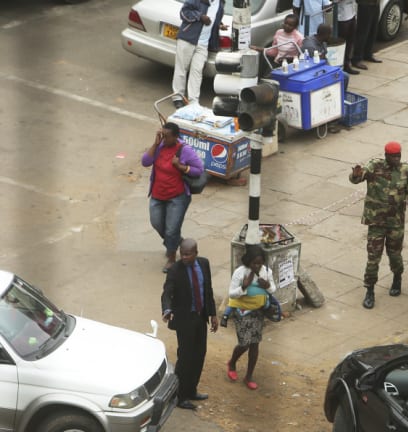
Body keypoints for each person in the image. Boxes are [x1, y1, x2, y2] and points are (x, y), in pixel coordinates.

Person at [349, 141, 408, 309]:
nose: (397, 159)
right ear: (386, 155)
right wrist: (356, 174)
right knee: (373, 257)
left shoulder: (406, 170)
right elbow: (356, 178)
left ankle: (397, 277)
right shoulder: (375, 166)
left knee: (395, 255)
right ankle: (370, 290)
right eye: (393, 156)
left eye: (399, 156)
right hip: (376, 222)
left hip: (395, 223)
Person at [161, 238, 218, 410]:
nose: (184, 257)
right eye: (182, 254)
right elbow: (167, 293)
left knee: (200, 354)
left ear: (196, 253)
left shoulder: (204, 264)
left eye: (188, 254)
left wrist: (213, 314)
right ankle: (180, 396)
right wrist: (167, 310)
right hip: (184, 320)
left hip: (200, 317)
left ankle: (192, 390)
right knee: (185, 358)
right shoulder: (175, 271)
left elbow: (208, 290)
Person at [141, 122, 204, 273]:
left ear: (176, 137)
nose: (163, 139)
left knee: (171, 229)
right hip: (157, 194)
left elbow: (199, 170)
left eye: (167, 136)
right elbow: (145, 162)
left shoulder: (184, 150)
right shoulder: (159, 147)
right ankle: (177, 242)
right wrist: (155, 145)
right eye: (162, 135)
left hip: (177, 197)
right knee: (157, 223)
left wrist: (180, 166)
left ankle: (171, 257)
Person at [226, 245, 277, 390]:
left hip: (258, 311)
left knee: (255, 343)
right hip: (242, 312)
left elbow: (273, 289)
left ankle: (249, 376)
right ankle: (232, 362)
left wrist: (267, 285)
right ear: (248, 261)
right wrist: (244, 287)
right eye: (254, 263)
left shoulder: (266, 272)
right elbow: (232, 294)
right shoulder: (240, 273)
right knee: (245, 343)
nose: (257, 266)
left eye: (259, 263)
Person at [171, 0, 228, 108]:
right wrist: (200, 17)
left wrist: (219, 25)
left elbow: (214, 18)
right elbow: (183, 12)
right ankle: (178, 97)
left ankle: (193, 101)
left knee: (197, 72)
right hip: (187, 39)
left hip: (203, 44)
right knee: (181, 69)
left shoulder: (220, 4)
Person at [350, 0, 381, 70]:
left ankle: (368, 54)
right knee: (362, 32)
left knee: (373, 30)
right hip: (365, 4)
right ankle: (356, 59)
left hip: (375, 3)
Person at [337, 0, 360, 75]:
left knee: (350, 42)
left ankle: (347, 64)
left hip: (352, 15)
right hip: (342, 18)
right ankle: (340, 65)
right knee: (341, 43)